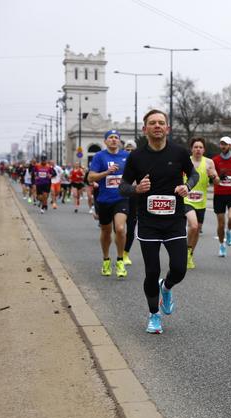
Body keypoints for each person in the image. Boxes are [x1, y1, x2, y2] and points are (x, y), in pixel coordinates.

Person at [119, 109, 198, 334]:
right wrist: (136, 188)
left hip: (174, 221)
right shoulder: (136, 157)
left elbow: (194, 175)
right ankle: (154, 315)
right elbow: (122, 187)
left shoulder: (180, 153)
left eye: (161, 123)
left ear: (167, 128)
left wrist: (188, 186)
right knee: (152, 272)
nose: (157, 126)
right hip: (148, 223)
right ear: (145, 129)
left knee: (179, 269)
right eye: (152, 123)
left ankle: (167, 287)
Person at [88, 129, 130, 278]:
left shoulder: (127, 156)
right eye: (110, 137)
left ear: (119, 141)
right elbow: (91, 177)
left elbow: (135, 174)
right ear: (105, 141)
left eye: (116, 137)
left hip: (121, 198)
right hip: (104, 200)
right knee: (106, 231)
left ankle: (120, 261)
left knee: (119, 228)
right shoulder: (100, 157)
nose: (113, 140)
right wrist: (107, 172)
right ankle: (106, 259)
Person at [184, 136, 218, 269]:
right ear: (191, 149)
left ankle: (189, 253)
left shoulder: (209, 163)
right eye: (195, 147)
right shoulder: (186, 161)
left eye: (200, 147)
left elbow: (217, 182)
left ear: (204, 150)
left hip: (201, 201)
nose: (198, 149)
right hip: (186, 199)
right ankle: (185, 251)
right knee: (193, 226)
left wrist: (213, 176)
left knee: (197, 229)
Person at [212, 136, 231, 257]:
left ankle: (229, 231)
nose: (223, 146)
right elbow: (213, 180)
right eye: (221, 144)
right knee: (220, 224)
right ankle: (221, 245)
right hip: (219, 194)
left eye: (226, 144)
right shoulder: (215, 160)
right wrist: (218, 178)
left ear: (230, 146)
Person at [122, 140, 138, 266]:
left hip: (134, 198)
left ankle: (125, 253)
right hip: (121, 197)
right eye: (127, 149)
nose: (129, 152)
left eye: (132, 150)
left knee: (131, 227)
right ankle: (120, 251)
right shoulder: (119, 162)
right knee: (119, 228)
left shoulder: (141, 162)